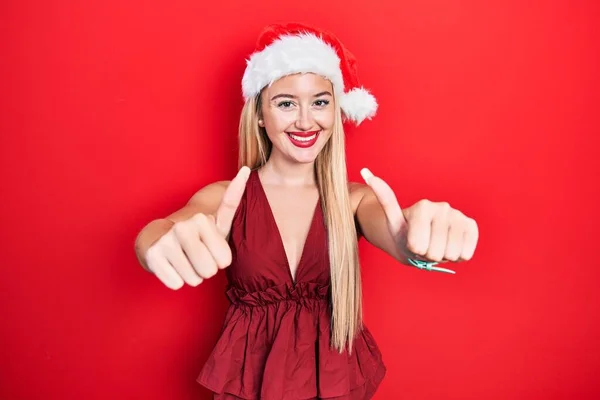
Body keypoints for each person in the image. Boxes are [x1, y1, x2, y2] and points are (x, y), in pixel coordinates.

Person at [134, 23, 479, 400]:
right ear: (261, 115)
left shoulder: (354, 200)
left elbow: (397, 232)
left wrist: (412, 240)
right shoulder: (226, 198)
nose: (305, 120)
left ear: (335, 110)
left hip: (336, 378)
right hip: (249, 381)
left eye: (319, 101)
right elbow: (166, 228)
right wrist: (158, 244)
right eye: (286, 103)